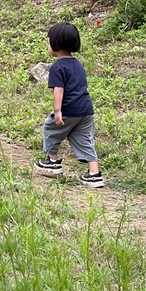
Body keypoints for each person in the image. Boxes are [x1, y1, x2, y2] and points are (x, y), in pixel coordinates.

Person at [33, 22, 103, 187]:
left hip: (69, 109)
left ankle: (53, 162)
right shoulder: (77, 64)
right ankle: (94, 174)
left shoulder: (58, 67)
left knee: (50, 129)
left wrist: (57, 111)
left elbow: (59, 90)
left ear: (56, 44)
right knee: (85, 139)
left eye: (49, 42)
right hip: (86, 110)